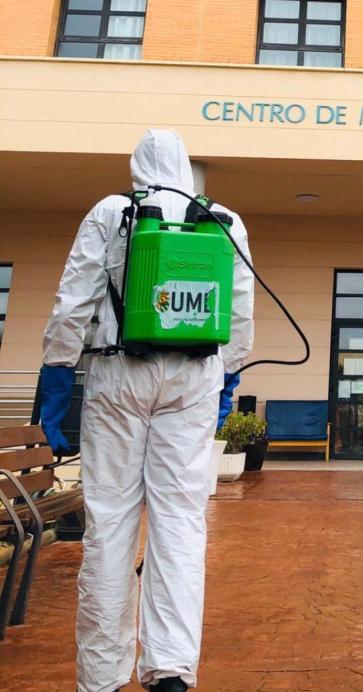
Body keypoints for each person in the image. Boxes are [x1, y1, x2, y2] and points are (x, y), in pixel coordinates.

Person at [38, 130, 255, 692]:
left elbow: (74, 299)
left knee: (109, 522)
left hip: (119, 373)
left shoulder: (113, 212)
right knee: (180, 522)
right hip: (195, 380)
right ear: (186, 167)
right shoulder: (225, 221)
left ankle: (102, 677)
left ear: (138, 167)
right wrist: (226, 383)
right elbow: (240, 311)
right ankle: (171, 670)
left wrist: (58, 375)